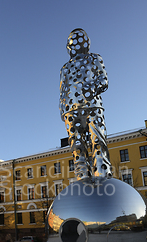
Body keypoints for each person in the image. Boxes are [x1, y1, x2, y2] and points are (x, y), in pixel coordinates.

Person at [59, 28, 112, 181]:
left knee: (98, 140)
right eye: (73, 42)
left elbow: (103, 80)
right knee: (76, 146)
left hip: (92, 106)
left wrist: (88, 92)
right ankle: (82, 177)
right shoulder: (65, 68)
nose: (76, 45)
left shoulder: (94, 59)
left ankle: (102, 173)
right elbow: (63, 89)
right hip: (70, 110)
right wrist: (62, 108)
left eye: (79, 41)